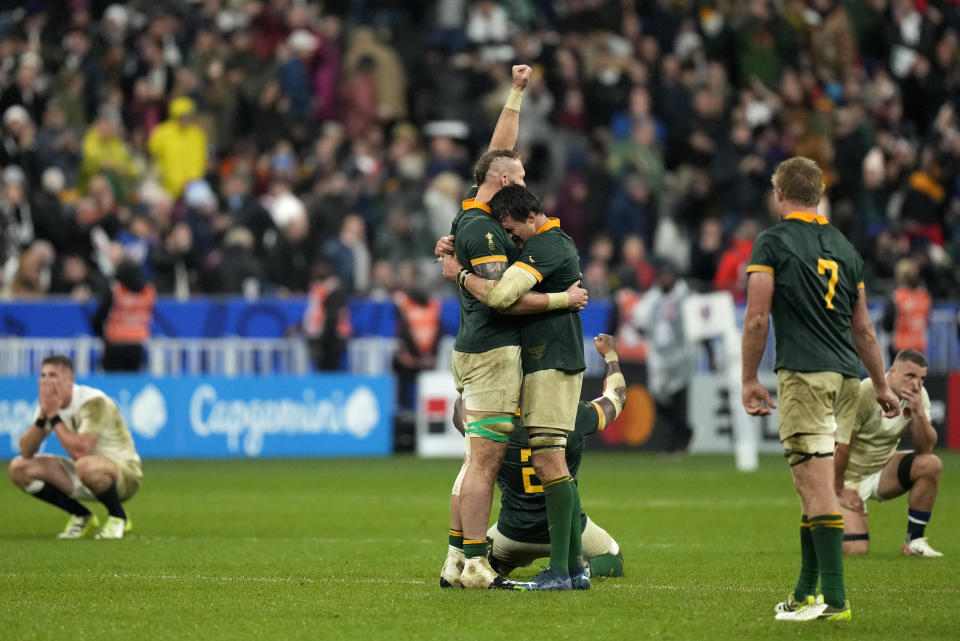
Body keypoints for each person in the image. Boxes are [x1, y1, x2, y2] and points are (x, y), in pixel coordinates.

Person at [434, 63, 586, 590]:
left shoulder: (472, 208)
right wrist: (563, 299)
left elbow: (497, 155)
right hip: (493, 350)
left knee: (474, 459)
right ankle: (476, 562)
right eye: (518, 179)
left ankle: (456, 558)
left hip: (471, 348)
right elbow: (501, 301)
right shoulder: (488, 230)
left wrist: (516, 93)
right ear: (503, 184)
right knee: (486, 460)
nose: (525, 184)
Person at [741, 156, 899, 622]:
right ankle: (804, 592)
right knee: (817, 488)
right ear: (819, 195)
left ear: (780, 194)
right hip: (849, 378)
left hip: (806, 376)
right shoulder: (846, 248)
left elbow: (756, 316)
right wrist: (881, 384)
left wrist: (749, 377)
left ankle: (834, 600)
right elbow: (865, 329)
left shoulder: (772, 241)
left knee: (814, 487)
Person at [486, 334, 625, 579]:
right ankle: (584, 568)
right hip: (570, 534)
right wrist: (611, 357)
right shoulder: (574, 415)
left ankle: (497, 565)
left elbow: (460, 410)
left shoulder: (494, 418)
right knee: (614, 556)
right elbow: (616, 397)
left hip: (512, 534)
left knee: (485, 559)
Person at [7, 355, 142, 539]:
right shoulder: (49, 404)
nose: (46, 381)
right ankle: (81, 515)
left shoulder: (93, 402)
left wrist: (54, 416)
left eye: (52, 375)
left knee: (85, 464)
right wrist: (42, 417)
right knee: (19, 468)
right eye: (43, 375)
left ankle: (118, 516)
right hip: (84, 471)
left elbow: (81, 450)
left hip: (124, 475)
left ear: (70, 380)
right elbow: (26, 451)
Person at [835, 350, 943, 557]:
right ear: (891, 372)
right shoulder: (866, 391)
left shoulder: (920, 396)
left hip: (883, 471)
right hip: (847, 476)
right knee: (855, 549)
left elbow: (925, 449)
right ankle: (818, 516)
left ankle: (915, 541)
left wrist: (919, 413)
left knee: (930, 464)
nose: (916, 384)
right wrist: (838, 489)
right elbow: (842, 445)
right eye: (910, 376)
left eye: (922, 378)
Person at [632, 258, 696, 453]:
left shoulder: (685, 296)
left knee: (678, 401)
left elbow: (696, 322)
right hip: (660, 357)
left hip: (682, 354)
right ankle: (684, 431)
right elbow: (639, 320)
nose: (667, 279)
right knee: (658, 397)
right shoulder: (653, 298)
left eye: (670, 276)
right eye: (664, 275)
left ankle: (677, 443)